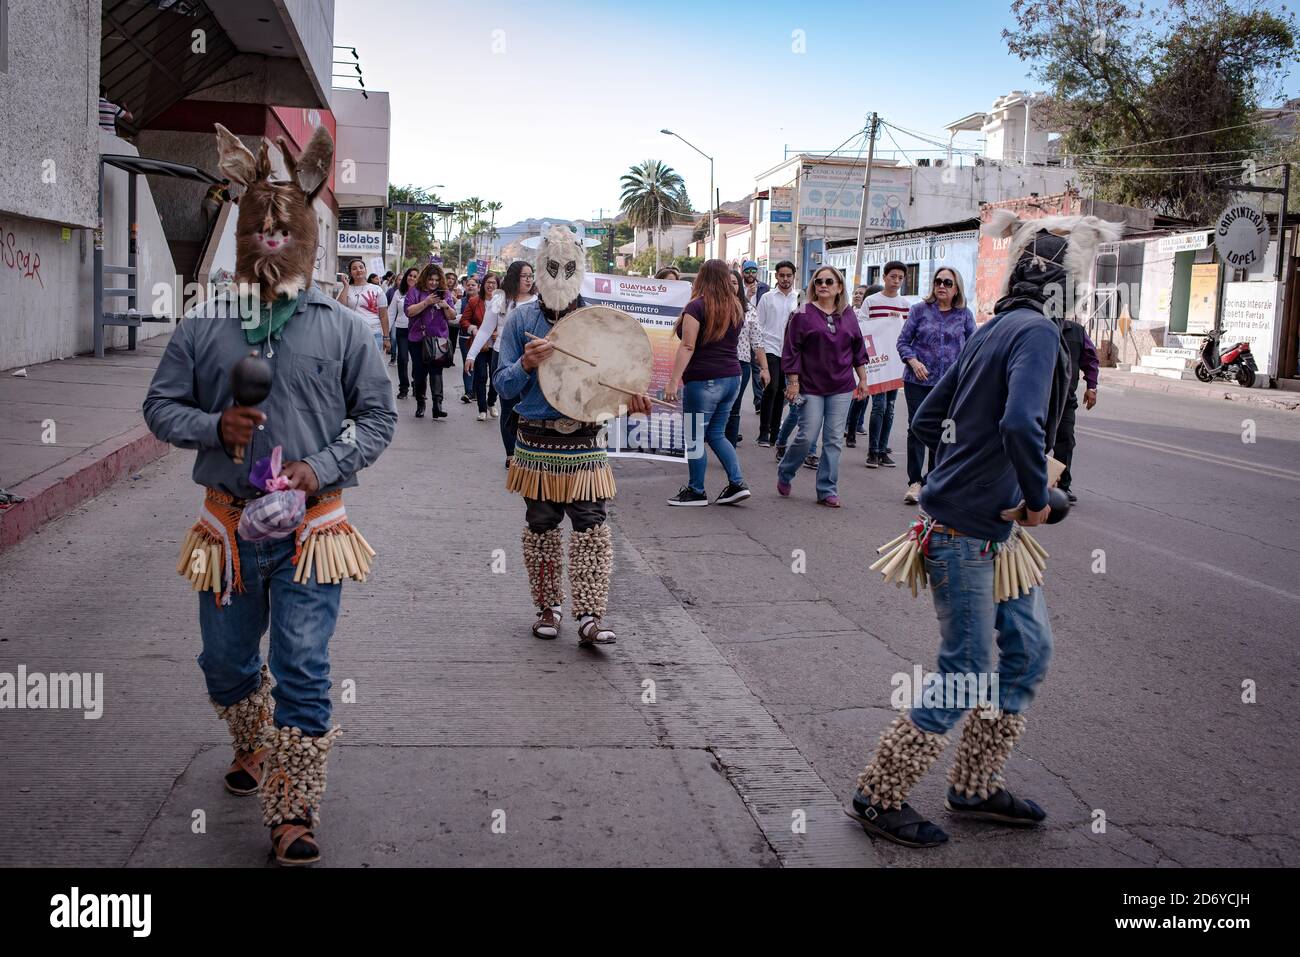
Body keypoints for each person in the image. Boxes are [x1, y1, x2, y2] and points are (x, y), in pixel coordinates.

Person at [144, 123, 396, 867]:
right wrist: (214, 428)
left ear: (309, 237)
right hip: (226, 532)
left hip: (313, 532)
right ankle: (250, 736)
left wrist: (321, 467)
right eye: (262, 225)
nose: (273, 238)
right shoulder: (204, 326)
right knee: (224, 663)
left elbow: (378, 418)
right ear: (243, 233)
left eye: (288, 228)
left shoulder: (347, 329)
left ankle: (292, 809)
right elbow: (160, 408)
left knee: (305, 664)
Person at [847, 211, 1121, 848]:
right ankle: (876, 796)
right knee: (968, 666)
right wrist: (1034, 499)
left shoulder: (997, 326)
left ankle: (972, 785)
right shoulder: (1038, 336)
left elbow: (926, 421)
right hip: (967, 535)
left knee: (1028, 653)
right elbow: (1022, 426)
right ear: (1068, 285)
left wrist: (968, 476)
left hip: (990, 537)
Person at [494, 226, 652, 643]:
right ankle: (549, 609)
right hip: (535, 440)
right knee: (541, 525)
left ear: (581, 267)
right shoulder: (520, 321)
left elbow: (615, 386)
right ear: (540, 267)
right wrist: (526, 364)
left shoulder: (599, 322)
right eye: (552, 265)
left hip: (585, 440)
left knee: (591, 525)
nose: (560, 273)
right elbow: (503, 388)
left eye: (568, 266)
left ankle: (590, 616)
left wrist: (631, 400)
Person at [774, 266, 869, 507]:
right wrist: (793, 382)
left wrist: (864, 380)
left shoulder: (848, 314)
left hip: (842, 386)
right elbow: (791, 350)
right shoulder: (802, 313)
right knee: (807, 436)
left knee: (834, 439)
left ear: (839, 287)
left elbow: (858, 348)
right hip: (810, 386)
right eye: (818, 281)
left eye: (829, 281)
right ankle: (786, 470)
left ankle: (827, 489)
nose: (823, 285)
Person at [663, 260, 753, 507]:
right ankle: (737, 483)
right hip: (732, 378)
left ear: (701, 278)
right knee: (716, 434)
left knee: (694, 436)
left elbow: (688, 345)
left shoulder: (696, 307)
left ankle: (696, 491)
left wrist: (673, 381)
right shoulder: (735, 306)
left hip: (703, 381)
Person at [897, 267, 975, 504]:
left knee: (945, 431)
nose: (941, 286)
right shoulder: (919, 311)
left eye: (947, 283)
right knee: (917, 428)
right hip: (917, 381)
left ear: (956, 288)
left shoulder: (964, 315)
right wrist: (913, 361)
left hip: (949, 385)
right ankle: (914, 482)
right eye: (938, 281)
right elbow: (903, 342)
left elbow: (974, 348)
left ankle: (933, 481)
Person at [474, 260, 537, 465]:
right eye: (524, 276)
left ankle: (527, 450)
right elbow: (485, 329)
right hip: (502, 356)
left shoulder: (538, 300)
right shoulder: (501, 299)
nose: (529, 280)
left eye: (531, 275)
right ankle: (511, 454)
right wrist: (470, 355)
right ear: (514, 277)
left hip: (531, 360)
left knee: (527, 406)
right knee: (508, 405)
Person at [864, 264, 911, 468]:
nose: (896, 281)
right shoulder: (871, 301)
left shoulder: (906, 304)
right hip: (878, 361)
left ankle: (883, 450)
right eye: (893, 276)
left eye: (901, 278)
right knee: (879, 406)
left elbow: (909, 333)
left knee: (890, 408)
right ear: (884, 277)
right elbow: (863, 328)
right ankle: (873, 451)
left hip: (896, 362)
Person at [1054, 318, 1099, 504]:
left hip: (1065, 399)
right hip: (1036, 398)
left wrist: (1092, 386)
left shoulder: (1077, 331)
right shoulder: (1035, 325)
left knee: (1065, 442)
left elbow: (1090, 359)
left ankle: (1062, 488)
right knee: (1032, 442)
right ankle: (1026, 485)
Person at [755, 261, 799, 446]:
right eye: (782, 275)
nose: (786, 279)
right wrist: (759, 351)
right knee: (771, 388)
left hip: (789, 350)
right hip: (770, 347)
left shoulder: (799, 299)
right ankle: (763, 432)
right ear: (776, 276)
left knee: (782, 391)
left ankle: (775, 433)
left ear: (793, 276)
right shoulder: (767, 298)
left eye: (789, 275)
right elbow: (758, 325)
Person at [405, 263, 456, 419]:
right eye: (430, 279)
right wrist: (426, 302)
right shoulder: (415, 291)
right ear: (425, 279)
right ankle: (421, 403)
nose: (433, 283)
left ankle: (437, 406)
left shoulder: (445, 293)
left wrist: (446, 306)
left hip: (439, 338)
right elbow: (409, 311)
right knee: (419, 373)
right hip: (418, 338)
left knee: (436, 371)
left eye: (436, 280)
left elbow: (452, 316)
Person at [725, 268, 770, 447]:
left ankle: (729, 445)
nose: (731, 286)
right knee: (716, 407)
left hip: (740, 364)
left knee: (734, 407)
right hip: (716, 364)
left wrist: (765, 368)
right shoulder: (711, 306)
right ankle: (714, 436)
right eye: (727, 283)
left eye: (734, 283)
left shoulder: (749, 309)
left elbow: (757, 341)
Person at [844, 283, 884, 448]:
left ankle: (879, 444)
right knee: (860, 399)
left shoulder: (885, 315)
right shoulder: (858, 315)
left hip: (883, 362)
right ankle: (851, 431)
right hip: (866, 361)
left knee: (881, 405)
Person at [336, 258, 391, 354]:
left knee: (373, 368)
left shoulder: (377, 289)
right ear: (350, 272)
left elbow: (384, 316)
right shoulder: (346, 289)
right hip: (352, 335)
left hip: (374, 333)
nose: (358, 270)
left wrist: (386, 337)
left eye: (361, 267)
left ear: (365, 270)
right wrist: (346, 286)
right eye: (354, 268)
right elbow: (340, 308)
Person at [741, 260, 771, 412]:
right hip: (742, 334)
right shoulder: (737, 286)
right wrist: (747, 295)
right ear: (743, 272)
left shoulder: (764, 288)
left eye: (753, 271)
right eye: (747, 271)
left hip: (758, 332)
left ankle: (758, 400)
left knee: (757, 369)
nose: (750, 274)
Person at [387, 267, 419, 397]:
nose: (411, 278)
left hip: (417, 330)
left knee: (418, 361)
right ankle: (403, 388)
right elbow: (390, 313)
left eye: (415, 276)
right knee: (403, 359)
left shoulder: (421, 292)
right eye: (409, 275)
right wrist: (385, 335)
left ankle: (417, 385)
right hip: (402, 329)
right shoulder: (398, 293)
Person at [457, 276, 480, 403]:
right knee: (468, 364)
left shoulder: (483, 302)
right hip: (465, 338)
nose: (470, 287)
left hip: (480, 339)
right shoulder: (461, 302)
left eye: (473, 285)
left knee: (479, 365)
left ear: (478, 287)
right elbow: (453, 318)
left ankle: (477, 391)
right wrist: (465, 318)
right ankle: (468, 392)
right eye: (469, 285)